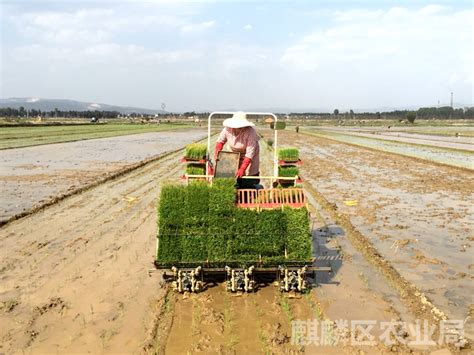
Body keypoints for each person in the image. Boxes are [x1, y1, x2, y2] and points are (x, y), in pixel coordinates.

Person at [214, 112, 260, 189]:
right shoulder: (227, 129)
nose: (240, 127)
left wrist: (242, 169)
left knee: (250, 174)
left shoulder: (251, 132)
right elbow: (220, 141)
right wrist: (217, 153)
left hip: (250, 153)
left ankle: (248, 186)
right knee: (231, 172)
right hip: (234, 152)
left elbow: (249, 154)